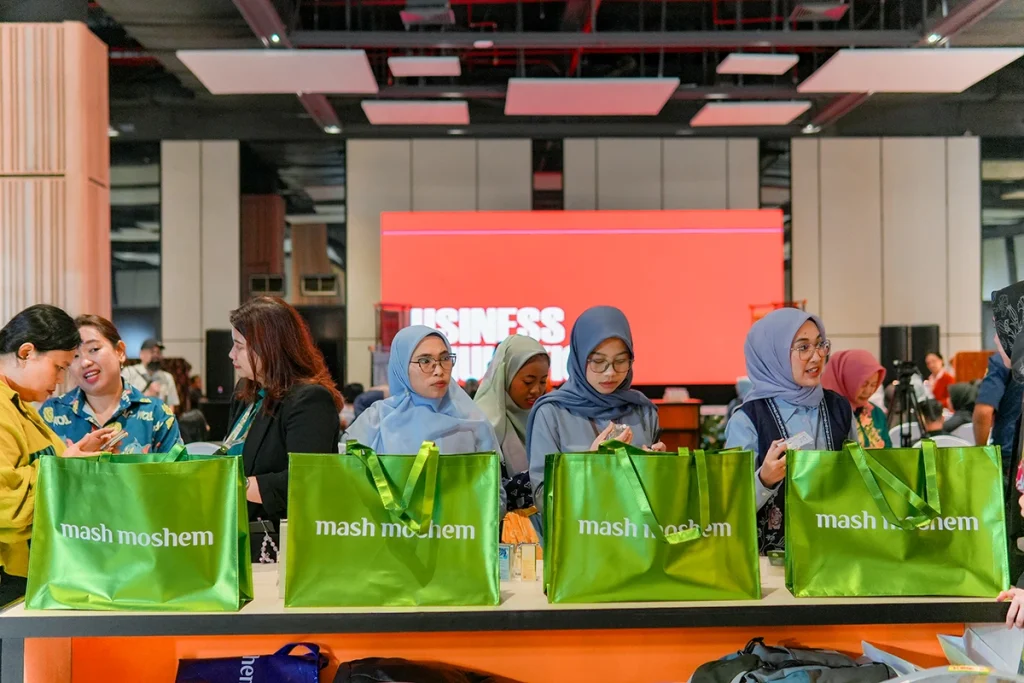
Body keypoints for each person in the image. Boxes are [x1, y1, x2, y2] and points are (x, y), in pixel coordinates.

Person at [0, 305, 116, 604]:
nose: (63, 379)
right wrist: (64, 468)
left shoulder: (19, 403)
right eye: (59, 367)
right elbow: (6, 505)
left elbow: (51, 461)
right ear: (26, 352)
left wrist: (77, 454)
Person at [724, 308, 854, 554]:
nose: (816, 356)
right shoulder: (749, 419)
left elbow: (858, 478)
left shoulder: (839, 408)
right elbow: (729, 507)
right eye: (803, 348)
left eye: (820, 345)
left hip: (836, 552)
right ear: (773, 355)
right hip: (774, 562)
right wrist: (764, 480)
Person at [526, 306, 664, 515]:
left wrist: (661, 467)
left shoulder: (643, 411)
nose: (610, 372)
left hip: (634, 531)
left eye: (620, 361)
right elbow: (543, 498)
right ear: (580, 357)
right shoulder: (552, 412)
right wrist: (591, 465)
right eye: (598, 362)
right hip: (579, 531)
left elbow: (656, 497)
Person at [225, 297, 343, 523]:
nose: (231, 354)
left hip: (280, 533)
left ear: (268, 348)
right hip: (237, 524)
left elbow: (306, 479)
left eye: (239, 346)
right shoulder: (246, 392)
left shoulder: (310, 400)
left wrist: (238, 483)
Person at [344, 326, 501, 457]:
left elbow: (490, 481)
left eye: (445, 358)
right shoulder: (375, 421)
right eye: (425, 361)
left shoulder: (472, 422)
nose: (439, 371)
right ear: (402, 367)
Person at [41, 315, 182, 454]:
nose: (85, 362)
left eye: (94, 349)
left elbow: (177, 468)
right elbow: (37, 468)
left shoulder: (157, 414)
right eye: (75, 356)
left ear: (120, 351)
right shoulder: (53, 413)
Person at [476, 336, 550, 511]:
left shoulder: (546, 419)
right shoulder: (479, 423)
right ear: (505, 376)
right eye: (528, 382)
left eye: (543, 381)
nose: (536, 390)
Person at [821, 349, 891, 449]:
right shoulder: (824, 415)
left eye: (873, 385)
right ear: (846, 380)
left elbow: (888, 451)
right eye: (863, 384)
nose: (868, 391)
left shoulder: (876, 413)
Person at [122, 338, 180, 410]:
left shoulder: (167, 377)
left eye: (159, 352)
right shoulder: (129, 372)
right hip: (135, 415)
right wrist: (148, 394)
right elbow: (120, 401)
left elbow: (171, 405)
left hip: (159, 416)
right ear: (141, 354)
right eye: (152, 352)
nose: (156, 355)